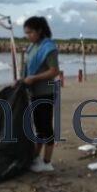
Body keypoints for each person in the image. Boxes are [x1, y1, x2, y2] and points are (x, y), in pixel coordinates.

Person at [20, 16, 61, 172]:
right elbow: (27, 69)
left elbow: (54, 71)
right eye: (26, 33)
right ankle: (35, 157)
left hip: (46, 92)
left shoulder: (48, 47)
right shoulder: (32, 47)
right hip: (34, 92)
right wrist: (21, 81)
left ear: (39, 30)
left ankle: (47, 162)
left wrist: (34, 78)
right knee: (38, 127)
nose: (27, 35)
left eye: (30, 32)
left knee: (45, 128)